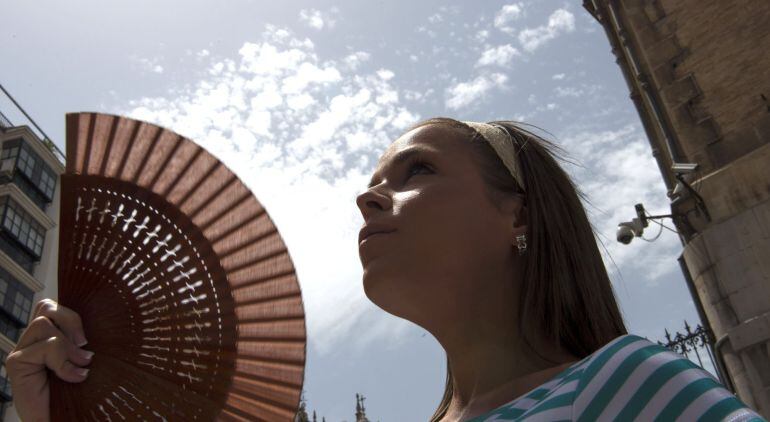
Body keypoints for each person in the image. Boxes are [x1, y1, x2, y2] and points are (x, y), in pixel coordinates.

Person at [5, 118, 763, 422]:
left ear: (519, 217)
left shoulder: (625, 387)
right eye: (373, 178)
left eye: (417, 170)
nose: (368, 195)